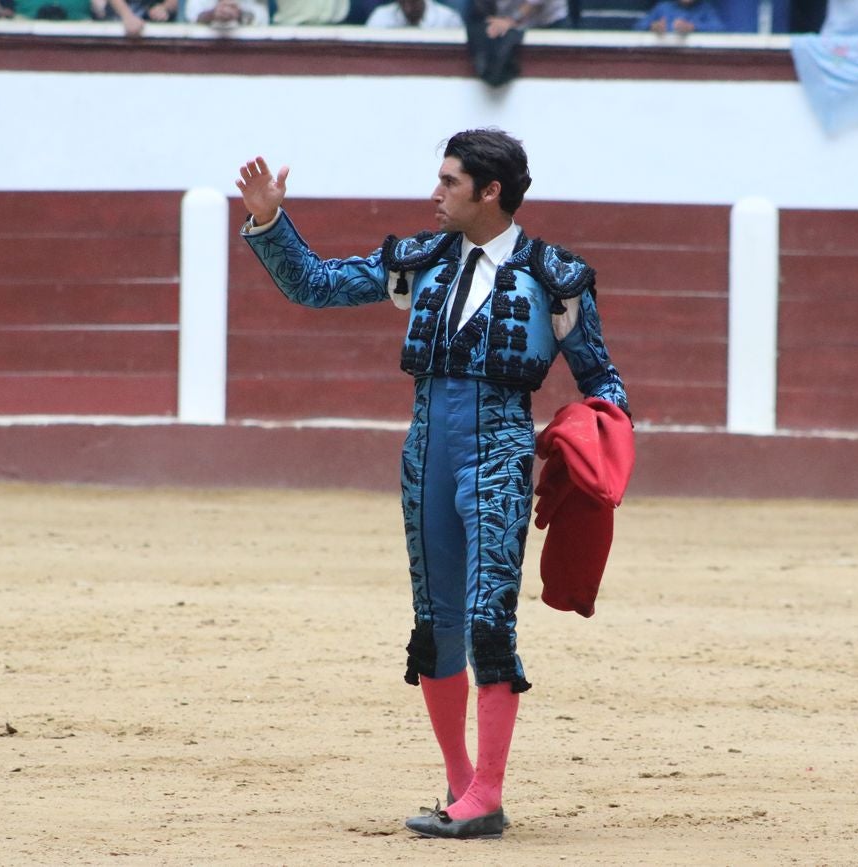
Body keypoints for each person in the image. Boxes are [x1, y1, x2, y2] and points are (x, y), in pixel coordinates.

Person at [236, 129, 629, 840]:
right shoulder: (421, 263)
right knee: (437, 623)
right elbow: (315, 284)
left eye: (449, 181)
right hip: (426, 455)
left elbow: (602, 378)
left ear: (491, 192)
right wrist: (269, 219)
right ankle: (461, 782)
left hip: (501, 452)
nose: (434, 192)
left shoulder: (554, 276)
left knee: (488, 618)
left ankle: (489, 790)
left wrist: (601, 438)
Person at [633, 0, 726, 33]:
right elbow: (638, 27)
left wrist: (693, 27)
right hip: (665, 58)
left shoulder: (705, 8)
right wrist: (652, 27)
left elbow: (720, 28)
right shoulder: (663, 7)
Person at [365, 0, 463, 27]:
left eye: (413, 2)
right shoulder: (380, 16)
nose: (408, 9)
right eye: (403, 2)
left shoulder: (448, 19)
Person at [185, 0, 266, 26]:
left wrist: (239, 15)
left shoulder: (255, 3)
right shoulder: (198, 2)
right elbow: (193, 18)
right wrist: (212, 15)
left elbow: (260, 17)